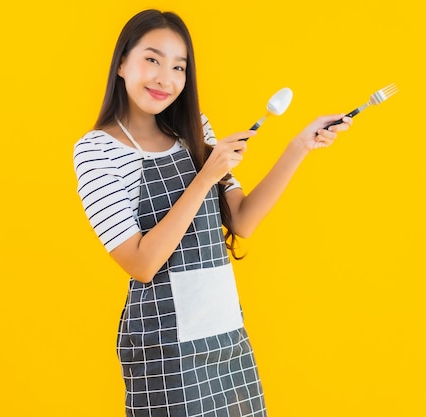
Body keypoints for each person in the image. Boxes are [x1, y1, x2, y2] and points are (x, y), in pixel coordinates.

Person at [73, 9, 352, 417]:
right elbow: (141, 263)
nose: (165, 78)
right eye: (152, 59)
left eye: (178, 66)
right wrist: (205, 177)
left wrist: (300, 146)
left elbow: (242, 219)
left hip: (226, 334)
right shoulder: (97, 151)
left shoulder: (194, 129)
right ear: (121, 62)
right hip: (164, 345)